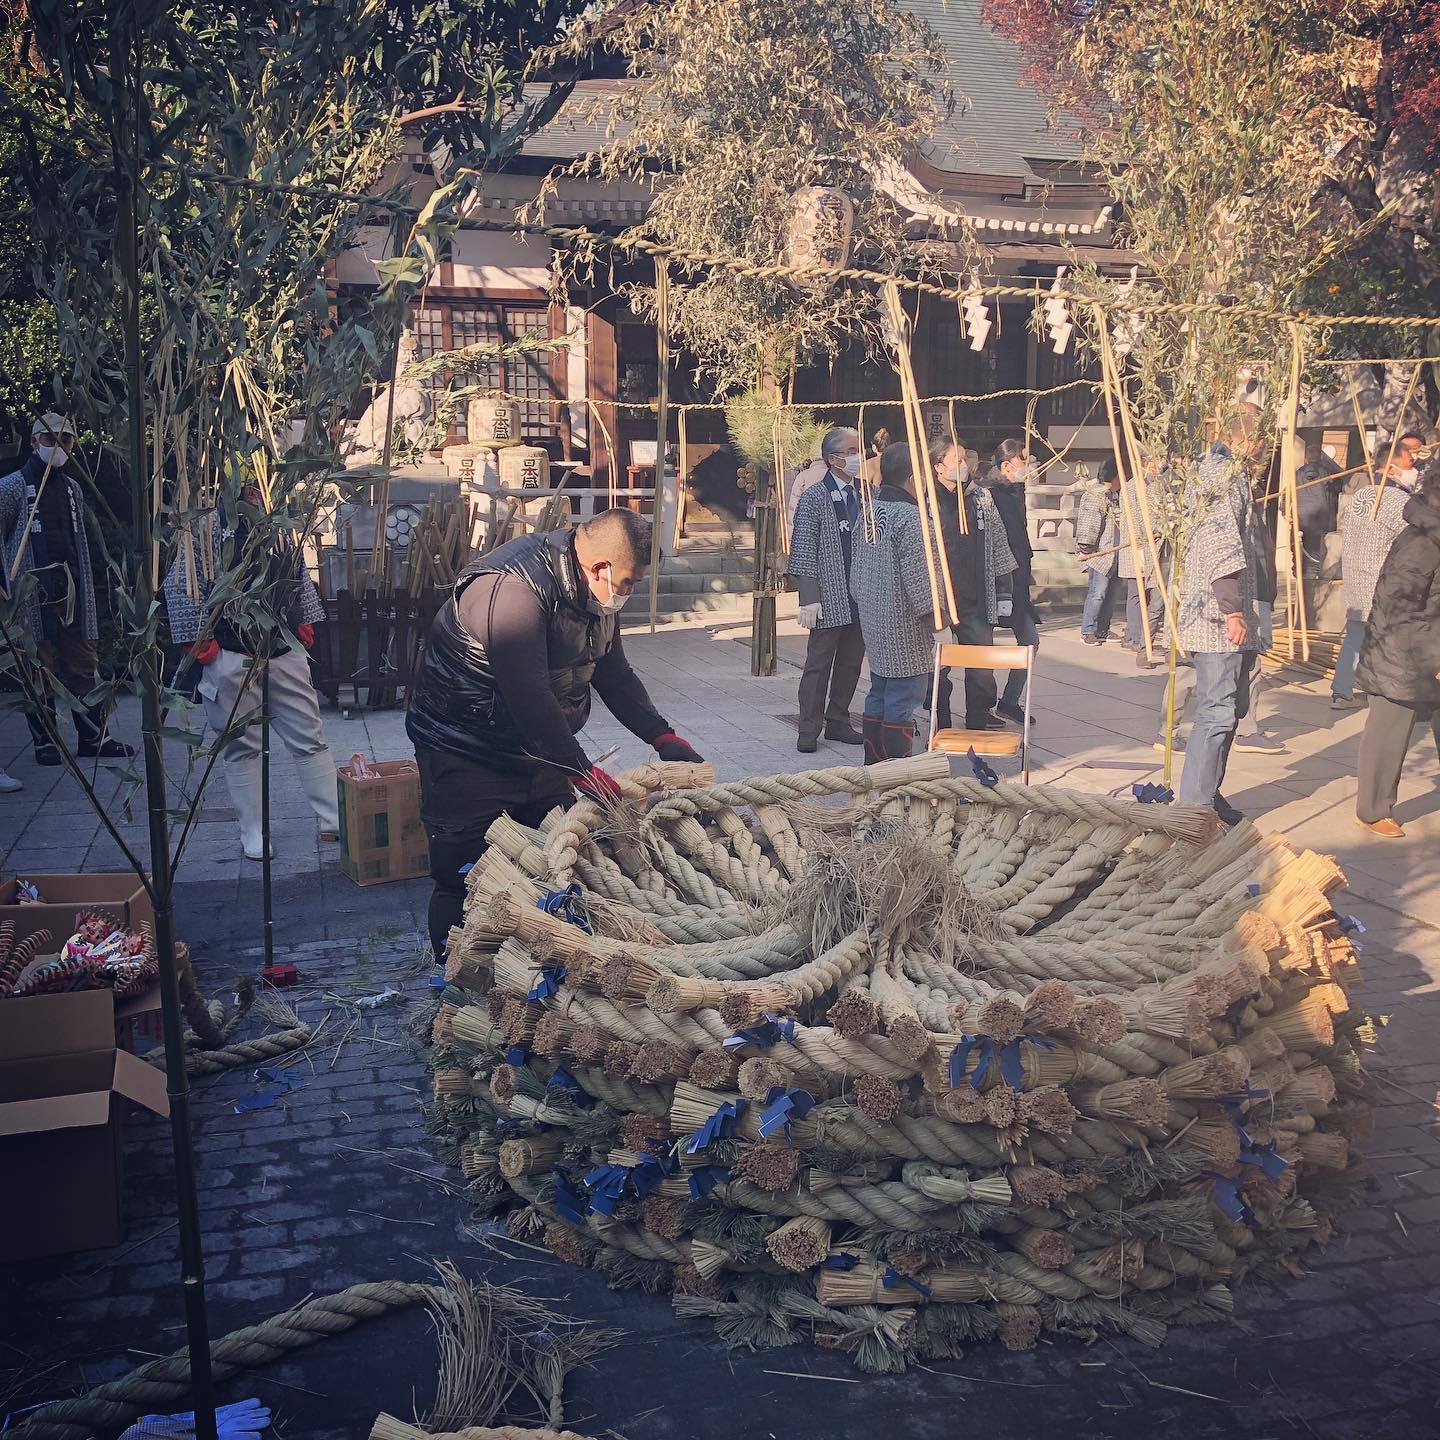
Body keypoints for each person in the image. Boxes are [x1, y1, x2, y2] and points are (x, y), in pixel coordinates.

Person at [406, 509, 703, 960]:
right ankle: (452, 986)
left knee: (550, 861)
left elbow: (613, 672)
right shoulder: (512, 590)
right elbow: (528, 693)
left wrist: (661, 736)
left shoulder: (595, 597)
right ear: (600, 568)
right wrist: (580, 769)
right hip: (465, 753)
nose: (630, 592)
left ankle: (526, 971)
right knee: (464, 874)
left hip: (539, 752)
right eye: (629, 582)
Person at [162, 483, 340, 860]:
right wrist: (199, 644)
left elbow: (296, 572)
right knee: (241, 746)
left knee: (309, 735)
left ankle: (333, 818)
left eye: (257, 486)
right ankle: (253, 832)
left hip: (281, 646)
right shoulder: (205, 528)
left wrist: (304, 622)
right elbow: (181, 584)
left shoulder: (278, 524)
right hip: (228, 651)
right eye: (244, 487)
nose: (251, 493)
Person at [0, 413, 134, 765]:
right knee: (36, 666)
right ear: (34, 442)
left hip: (71, 589)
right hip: (30, 590)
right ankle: (46, 741)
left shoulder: (72, 488)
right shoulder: (12, 486)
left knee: (83, 664)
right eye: (50, 439)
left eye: (66, 440)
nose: (58, 447)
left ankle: (94, 737)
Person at [1174, 409, 1267, 825]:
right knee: (1217, 711)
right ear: (1251, 439)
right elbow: (1220, 544)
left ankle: (1208, 789)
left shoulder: (1231, 473)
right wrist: (1231, 610)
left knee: (1232, 708)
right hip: (1216, 616)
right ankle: (1195, 806)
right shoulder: (1218, 475)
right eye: (1265, 439)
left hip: (1233, 610)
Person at [1353, 469, 1440, 837]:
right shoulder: (1423, 540)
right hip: (1400, 648)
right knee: (1389, 729)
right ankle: (1373, 810)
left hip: (1429, 640)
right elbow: (1402, 604)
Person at [849, 443, 942, 763]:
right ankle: (898, 774)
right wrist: (937, 621)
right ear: (914, 477)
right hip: (904, 621)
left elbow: (856, 570)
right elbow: (921, 578)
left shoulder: (869, 511)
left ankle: (874, 766)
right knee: (903, 698)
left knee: (879, 692)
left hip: (873, 613)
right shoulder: (913, 518)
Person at [787, 427, 866, 753]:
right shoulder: (813, 497)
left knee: (851, 663)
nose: (858, 457)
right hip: (829, 593)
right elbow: (803, 550)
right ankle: (809, 726)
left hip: (860, 591)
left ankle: (838, 720)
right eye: (852, 450)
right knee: (818, 665)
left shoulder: (866, 494)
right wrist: (809, 598)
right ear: (834, 459)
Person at [932, 434, 1016, 731]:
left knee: (981, 661)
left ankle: (978, 715)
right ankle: (938, 718)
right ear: (938, 466)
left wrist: (1004, 589)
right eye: (956, 460)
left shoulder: (981, 497)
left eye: (965, 459)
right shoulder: (927, 499)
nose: (963, 465)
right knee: (938, 665)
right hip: (939, 596)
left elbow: (999, 545)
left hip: (975, 593)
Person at [1331, 449, 1423, 709]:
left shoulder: (1360, 495)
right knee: (1389, 640)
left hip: (1356, 579)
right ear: (1392, 469)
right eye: (1409, 463)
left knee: (1355, 638)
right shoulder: (1397, 500)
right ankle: (1389, 694)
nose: (1414, 468)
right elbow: (1415, 538)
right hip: (1383, 582)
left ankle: (1342, 691)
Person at [982, 439, 1039, 725]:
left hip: (1018, 582)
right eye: (1022, 462)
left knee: (1029, 643)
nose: (1027, 468)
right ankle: (979, 707)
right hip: (996, 582)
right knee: (982, 648)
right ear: (1006, 465)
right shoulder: (989, 495)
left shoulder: (1015, 491)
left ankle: (1009, 701)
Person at [1075, 459, 1123, 644]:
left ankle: (1103, 628)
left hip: (1116, 551)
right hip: (1101, 554)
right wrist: (1086, 548)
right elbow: (1090, 524)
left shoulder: (1115, 495)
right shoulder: (1095, 495)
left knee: (1111, 595)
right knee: (1098, 593)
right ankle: (1088, 630)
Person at [1295, 440, 1344, 577]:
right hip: (1322, 518)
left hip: (1303, 519)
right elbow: (1339, 486)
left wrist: (1288, 513)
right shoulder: (1327, 473)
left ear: (1306, 458)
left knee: (1306, 554)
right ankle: (1314, 582)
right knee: (1321, 554)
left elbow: (1288, 495)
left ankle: (1306, 581)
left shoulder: (1297, 475)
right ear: (1320, 457)